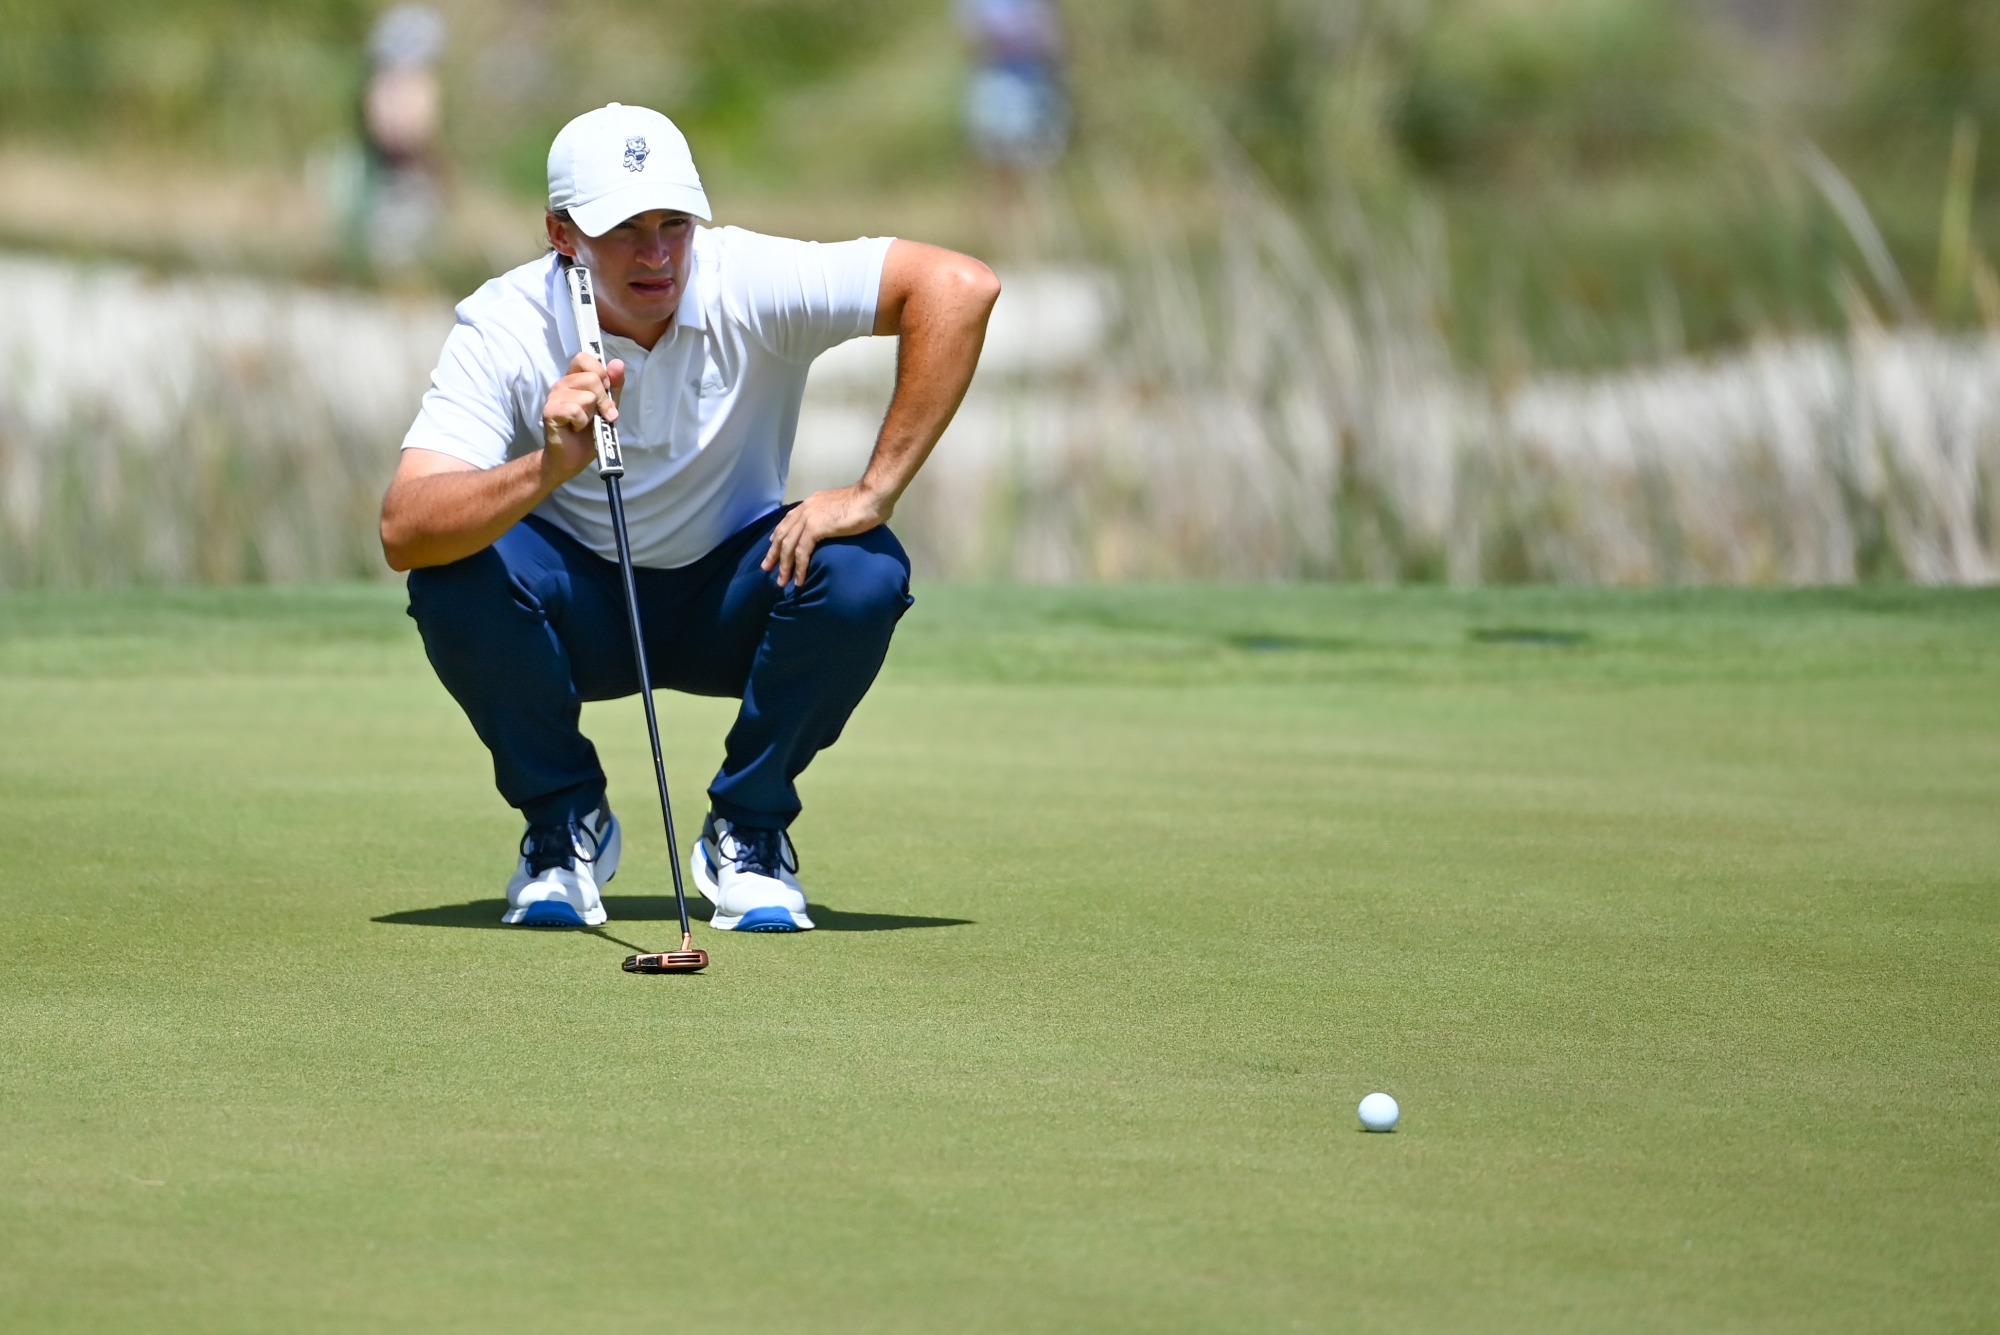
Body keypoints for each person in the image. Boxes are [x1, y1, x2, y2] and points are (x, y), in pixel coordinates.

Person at [380, 103, 999, 932]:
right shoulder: (505, 321)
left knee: (864, 569)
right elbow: (404, 529)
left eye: (675, 222)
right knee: (455, 572)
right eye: (625, 228)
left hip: (734, 592)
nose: (658, 253)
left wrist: (872, 491)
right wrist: (546, 466)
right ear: (563, 234)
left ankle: (748, 829)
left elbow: (960, 288)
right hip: (579, 608)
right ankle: (565, 823)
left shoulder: (750, 277)